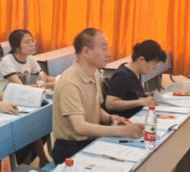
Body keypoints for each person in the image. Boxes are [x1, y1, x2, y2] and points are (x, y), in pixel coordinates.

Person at [105, 40, 187, 172]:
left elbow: (132, 96)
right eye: (153, 64)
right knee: (164, 146)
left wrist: (146, 96)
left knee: (172, 138)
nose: (153, 68)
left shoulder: (135, 73)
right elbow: (110, 103)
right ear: (141, 59)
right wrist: (140, 101)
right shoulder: (122, 76)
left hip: (138, 122)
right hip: (125, 128)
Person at [51, 28, 144, 164]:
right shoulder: (70, 83)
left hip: (90, 140)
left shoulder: (94, 74)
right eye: (104, 48)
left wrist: (111, 118)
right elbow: (80, 127)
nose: (109, 53)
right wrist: (121, 131)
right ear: (86, 52)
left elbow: (96, 108)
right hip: (70, 149)